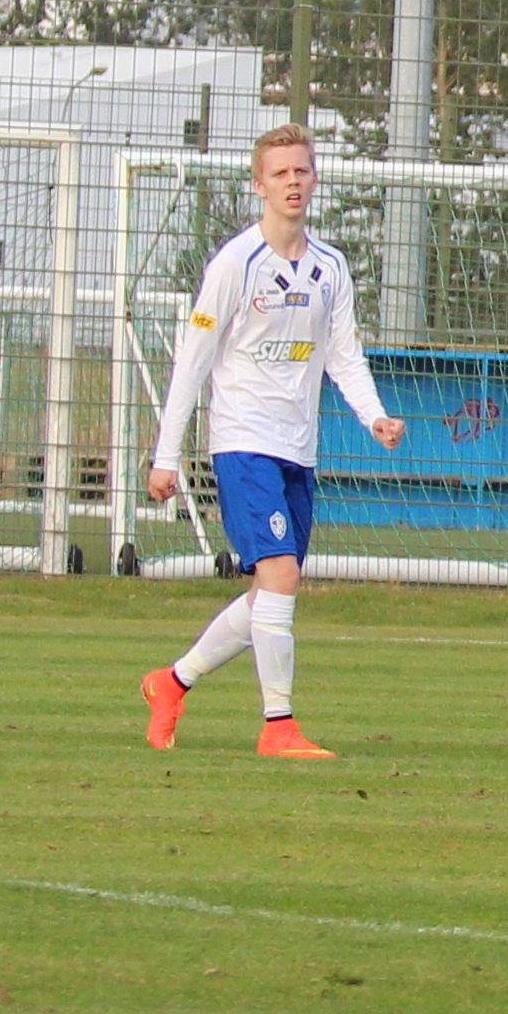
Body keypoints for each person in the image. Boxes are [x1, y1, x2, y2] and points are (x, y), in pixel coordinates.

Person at [139, 124, 407, 760]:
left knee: (268, 591)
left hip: (298, 449)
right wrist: (166, 457)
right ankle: (278, 726)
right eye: (280, 173)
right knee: (281, 574)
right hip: (243, 442)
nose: (293, 182)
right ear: (259, 185)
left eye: (301, 171)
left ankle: (171, 683)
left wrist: (374, 417)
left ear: (315, 179)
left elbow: (343, 355)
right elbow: (193, 360)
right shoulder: (236, 263)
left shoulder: (330, 267)